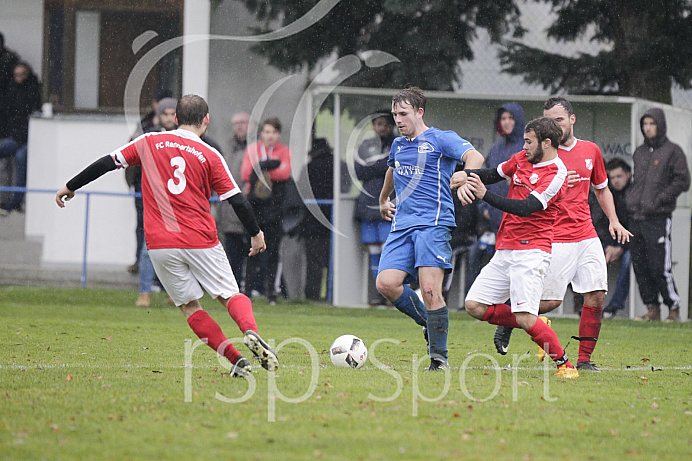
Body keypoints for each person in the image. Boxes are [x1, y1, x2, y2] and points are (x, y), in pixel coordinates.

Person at [55, 94, 278, 378]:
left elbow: (108, 162)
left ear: (176, 118)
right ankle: (250, 332)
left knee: (189, 307)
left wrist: (71, 186)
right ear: (206, 121)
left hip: (160, 243)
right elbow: (237, 200)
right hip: (200, 239)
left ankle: (237, 361)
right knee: (230, 295)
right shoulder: (210, 154)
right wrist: (256, 234)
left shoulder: (148, 142)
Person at [486, 97, 631, 372]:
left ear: (572, 120)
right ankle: (510, 319)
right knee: (549, 302)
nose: (554, 125)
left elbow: (601, 189)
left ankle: (584, 360)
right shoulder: (539, 154)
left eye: (559, 120)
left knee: (596, 294)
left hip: (586, 235)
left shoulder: (591, 151)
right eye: (549, 120)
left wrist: (614, 220)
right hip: (554, 236)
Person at [455, 117, 578, 378]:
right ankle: (536, 323)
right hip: (506, 247)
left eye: (529, 142)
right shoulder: (522, 158)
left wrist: (484, 195)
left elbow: (525, 208)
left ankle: (565, 365)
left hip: (532, 251)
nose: (524, 147)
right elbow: (492, 174)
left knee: (524, 317)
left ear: (547, 143)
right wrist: (464, 174)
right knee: (474, 305)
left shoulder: (557, 172)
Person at [376, 86, 484, 371]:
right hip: (402, 226)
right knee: (386, 283)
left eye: (403, 114)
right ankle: (429, 322)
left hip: (433, 224)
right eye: (394, 114)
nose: (398, 120)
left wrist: (465, 173)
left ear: (419, 112)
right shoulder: (398, 145)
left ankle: (439, 358)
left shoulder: (440, 139)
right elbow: (392, 168)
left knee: (430, 290)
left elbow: (475, 157)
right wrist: (384, 198)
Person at [626, 108, 690, 322]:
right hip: (636, 218)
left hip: (658, 218)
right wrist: (631, 199)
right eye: (645, 124)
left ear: (660, 125)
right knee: (640, 265)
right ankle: (652, 308)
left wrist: (660, 198)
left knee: (659, 266)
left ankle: (673, 307)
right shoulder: (640, 152)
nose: (648, 128)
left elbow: (683, 180)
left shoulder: (673, 151)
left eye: (652, 123)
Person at [466, 103, 525, 289]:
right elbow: (486, 180)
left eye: (511, 118)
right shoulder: (496, 149)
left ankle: (512, 308)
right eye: (503, 118)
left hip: (518, 220)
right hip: (494, 221)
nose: (506, 122)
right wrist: (484, 208)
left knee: (515, 267)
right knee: (486, 259)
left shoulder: (526, 147)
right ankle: (476, 302)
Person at [241, 116, 292, 305]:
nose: (270, 136)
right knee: (252, 250)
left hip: (275, 207)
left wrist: (261, 168)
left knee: (273, 252)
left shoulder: (284, 151)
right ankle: (247, 292)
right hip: (255, 206)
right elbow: (246, 173)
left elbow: (285, 172)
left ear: (278, 134)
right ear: (261, 133)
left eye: (273, 132)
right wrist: (270, 165)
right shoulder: (252, 149)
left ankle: (271, 293)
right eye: (267, 132)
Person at [135, 97, 178, 307]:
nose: (169, 118)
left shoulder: (184, 138)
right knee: (148, 249)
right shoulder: (149, 137)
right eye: (165, 114)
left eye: (173, 114)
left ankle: (175, 293)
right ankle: (145, 291)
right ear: (159, 116)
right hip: (154, 201)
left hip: (178, 202)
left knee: (177, 250)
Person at [125, 88, 174, 273]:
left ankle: (161, 275)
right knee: (143, 225)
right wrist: (132, 181)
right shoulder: (145, 126)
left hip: (169, 187)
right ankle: (141, 263)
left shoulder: (181, 133)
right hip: (145, 184)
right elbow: (131, 152)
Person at [298, 138, 350, 300]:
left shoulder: (309, 167)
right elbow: (345, 187)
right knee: (334, 260)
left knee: (314, 263)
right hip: (335, 219)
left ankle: (312, 294)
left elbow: (302, 191)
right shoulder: (338, 165)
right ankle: (335, 294)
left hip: (312, 222)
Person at [354, 110, 396, 305]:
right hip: (368, 205)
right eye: (379, 124)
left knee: (388, 249)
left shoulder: (397, 144)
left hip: (390, 203)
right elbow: (359, 170)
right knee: (373, 250)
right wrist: (380, 167)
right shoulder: (365, 145)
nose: (382, 127)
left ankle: (391, 294)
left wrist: (375, 167)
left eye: (386, 124)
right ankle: (379, 294)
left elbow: (392, 168)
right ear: (373, 126)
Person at [216, 111, 252, 289]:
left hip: (251, 209)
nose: (239, 126)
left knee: (253, 254)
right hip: (229, 211)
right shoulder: (226, 148)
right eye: (236, 123)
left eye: (243, 123)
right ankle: (234, 287)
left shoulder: (256, 149)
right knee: (233, 253)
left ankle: (255, 287)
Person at [0, 62, 41, 215]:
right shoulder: (11, 90)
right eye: (17, 75)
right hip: (16, 136)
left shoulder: (32, 91)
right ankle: (12, 201)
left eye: (22, 75)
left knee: (20, 157)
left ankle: (15, 201)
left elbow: (29, 116)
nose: (19, 78)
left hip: (25, 137)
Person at [593, 158, 632, 318]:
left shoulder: (635, 193)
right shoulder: (606, 194)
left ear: (628, 175)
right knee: (591, 258)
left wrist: (621, 248)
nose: (615, 181)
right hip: (610, 241)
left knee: (629, 260)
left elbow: (634, 226)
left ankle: (614, 306)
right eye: (612, 177)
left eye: (619, 176)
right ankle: (590, 306)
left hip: (630, 243)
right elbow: (601, 222)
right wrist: (610, 245)